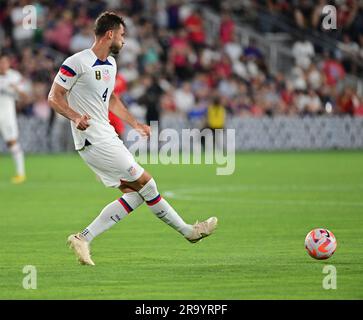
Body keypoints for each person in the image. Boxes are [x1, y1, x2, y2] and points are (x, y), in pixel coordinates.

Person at [47, 12, 217, 266]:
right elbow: (54, 96)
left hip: (106, 135)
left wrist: (134, 123)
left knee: (137, 194)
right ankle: (189, 232)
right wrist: (74, 116)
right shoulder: (77, 62)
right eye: (122, 35)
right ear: (110, 34)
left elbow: (111, 98)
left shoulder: (110, 65)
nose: (124, 41)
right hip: (93, 138)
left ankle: (83, 238)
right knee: (147, 184)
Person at [0, 53, 27, 184]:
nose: (2, 65)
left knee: (12, 142)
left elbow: (25, 96)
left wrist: (15, 88)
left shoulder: (14, 77)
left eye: (4, 62)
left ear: (8, 63)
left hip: (7, 115)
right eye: (1, 62)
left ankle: (20, 174)